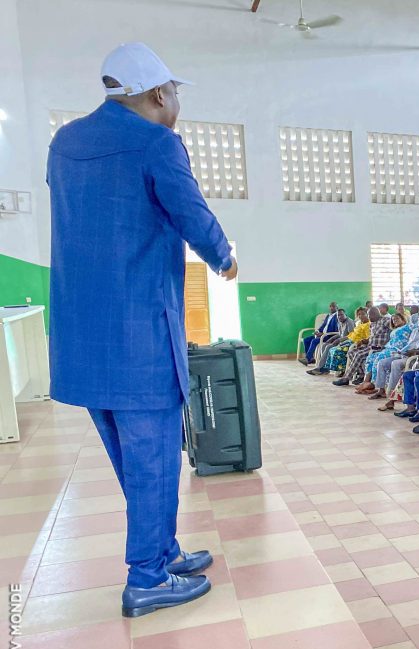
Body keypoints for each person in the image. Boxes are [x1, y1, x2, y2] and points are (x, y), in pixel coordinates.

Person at [48, 43, 234, 617]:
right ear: (158, 95)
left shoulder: (66, 142)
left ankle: (162, 549)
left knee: (134, 460)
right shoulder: (158, 142)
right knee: (154, 457)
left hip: (81, 336)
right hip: (138, 339)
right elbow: (190, 213)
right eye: (174, 92)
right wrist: (224, 257)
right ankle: (148, 577)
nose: (176, 101)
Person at [373, 312, 419, 405]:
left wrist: (414, 352)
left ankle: (392, 393)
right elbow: (409, 344)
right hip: (404, 353)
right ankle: (381, 390)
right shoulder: (415, 330)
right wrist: (402, 351)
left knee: (395, 364)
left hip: (413, 357)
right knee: (382, 363)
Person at [355, 311, 409, 394]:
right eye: (393, 320)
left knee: (379, 358)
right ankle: (366, 382)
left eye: (397, 319)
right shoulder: (394, 330)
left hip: (398, 350)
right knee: (371, 357)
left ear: (403, 319)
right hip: (389, 349)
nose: (395, 321)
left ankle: (374, 385)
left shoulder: (408, 327)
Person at [336, 306, 390, 386]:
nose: (368, 317)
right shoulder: (372, 323)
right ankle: (361, 375)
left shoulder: (385, 320)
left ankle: (346, 378)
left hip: (379, 347)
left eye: (369, 315)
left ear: (375, 314)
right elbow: (372, 337)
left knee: (359, 354)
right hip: (369, 345)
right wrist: (363, 341)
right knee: (351, 352)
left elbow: (395, 328)